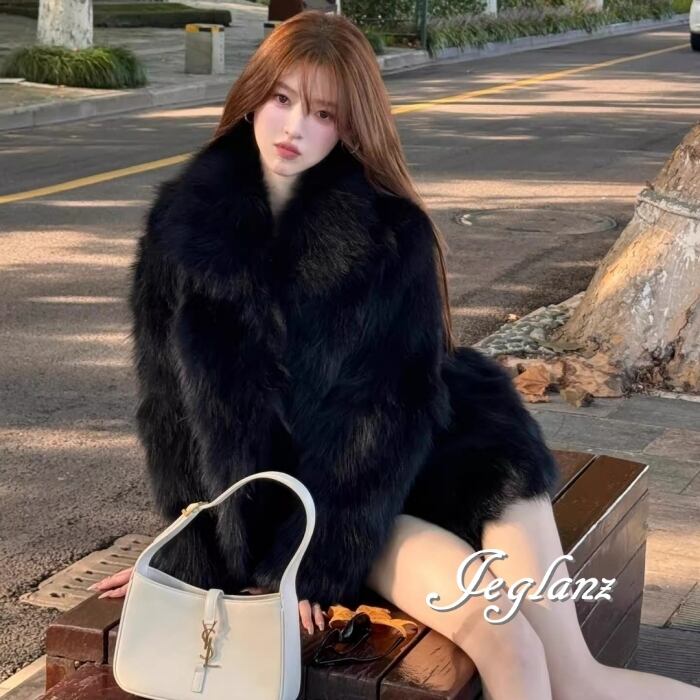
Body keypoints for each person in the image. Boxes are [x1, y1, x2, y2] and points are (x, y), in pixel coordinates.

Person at [89, 11, 700, 700]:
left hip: (441, 455)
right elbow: (170, 413)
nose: (294, 128)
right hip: (333, 504)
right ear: (253, 96)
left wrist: (310, 571)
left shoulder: (389, 235)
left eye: (323, 113)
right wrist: (195, 556)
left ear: (349, 126)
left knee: (576, 677)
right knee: (507, 639)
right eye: (282, 99)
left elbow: (383, 417)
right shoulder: (180, 230)